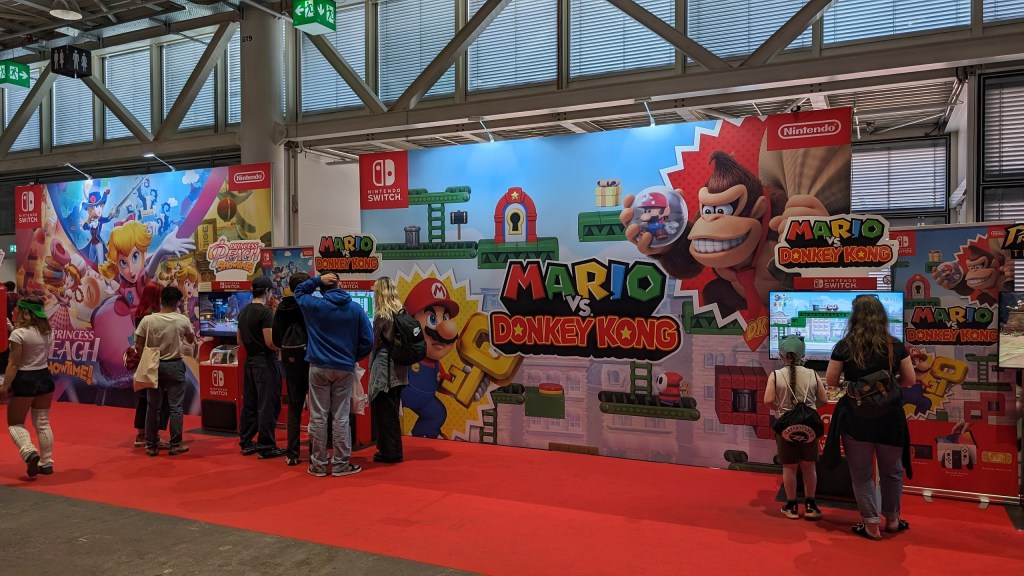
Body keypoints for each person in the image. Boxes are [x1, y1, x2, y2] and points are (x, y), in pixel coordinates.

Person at [825, 295, 916, 541]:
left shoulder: (844, 346)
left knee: (862, 474)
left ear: (854, 317)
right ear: (882, 316)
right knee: (892, 472)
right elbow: (910, 379)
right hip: (891, 418)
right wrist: (885, 387)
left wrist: (858, 387)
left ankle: (871, 524)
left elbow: (831, 380)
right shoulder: (895, 345)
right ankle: (893, 521)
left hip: (855, 418)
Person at [294, 272, 372, 478]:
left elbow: (298, 291)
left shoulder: (315, 306)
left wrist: (317, 280)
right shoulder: (355, 309)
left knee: (318, 416)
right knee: (341, 416)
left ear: (322, 288)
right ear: (340, 284)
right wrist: (352, 356)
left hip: (318, 366)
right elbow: (368, 340)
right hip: (344, 367)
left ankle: (319, 464)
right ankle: (340, 464)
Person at [764, 335, 827, 520]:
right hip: (809, 427)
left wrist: (780, 410)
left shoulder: (776, 375)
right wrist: (809, 410)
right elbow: (823, 400)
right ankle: (811, 505)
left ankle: (791, 506)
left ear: (781, 355)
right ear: (803, 355)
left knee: (789, 467)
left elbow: (768, 400)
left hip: (785, 427)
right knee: (809, 466)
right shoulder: (813, 374)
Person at [134, 286, 197, 457]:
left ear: (161, 301)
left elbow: (138, 345)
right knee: (176, 407)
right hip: (175, 365)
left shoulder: (148, 320)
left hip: (153, 366)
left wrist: (146, 359)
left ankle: (151, 445)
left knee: (153, 406)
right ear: (178, 303)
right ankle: (175, 444)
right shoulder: (182, 320)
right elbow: (191, 339)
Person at [2, 297, 56, 478]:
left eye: (17, 308)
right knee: (42, 422)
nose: (14, 310)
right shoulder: (48, 331)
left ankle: (29, 451)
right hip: (44, 377)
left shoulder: (19, 334)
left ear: (24, 311)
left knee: (15, 423)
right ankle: (46, 463)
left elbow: (14, 364)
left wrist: (5, 386)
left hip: (25, 379)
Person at [238, 277, 286, 459]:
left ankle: (246, 441)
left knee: (250, 404)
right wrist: (282, 346)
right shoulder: (266, 313)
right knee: (268, 404)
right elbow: (270, 342)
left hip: (250, 362)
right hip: (266, 363)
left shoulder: (244, 311)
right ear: (266, 290)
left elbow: (239, 340)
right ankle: (266, 445)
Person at [272, 272, 310, 467]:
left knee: (294, 406)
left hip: (290, 359)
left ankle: (292, 453)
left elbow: (276, 338)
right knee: (317, 407)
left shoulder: (281, 307)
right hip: (310, 358)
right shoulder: (309, 306)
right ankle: (316, 452)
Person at [368, 277, 408, 464]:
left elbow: (374, 344)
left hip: (385, 370)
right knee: (392, 411)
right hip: (400, 369)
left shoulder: (381, 316)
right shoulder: (401, 312)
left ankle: (390, 452)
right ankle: (391, 449)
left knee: (384, 413)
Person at [131, 282, 170, 448]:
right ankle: (152, 435)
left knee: (144, 398)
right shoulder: (153, 317)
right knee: (156, 400)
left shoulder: (140, 314)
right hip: (154, 359)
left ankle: (142, 434)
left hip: (144, 360)